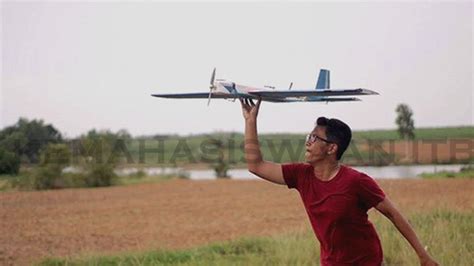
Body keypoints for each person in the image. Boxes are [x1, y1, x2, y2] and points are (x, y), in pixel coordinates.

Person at [240, 98, 438, 266]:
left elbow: (393, 214)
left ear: (331, 148)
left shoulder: (357, 182)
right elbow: (255, 165)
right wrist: (250, 121)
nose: (308, 142)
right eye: (309, 136)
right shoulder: (301, 175)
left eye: (314, 138)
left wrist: (423, 255)